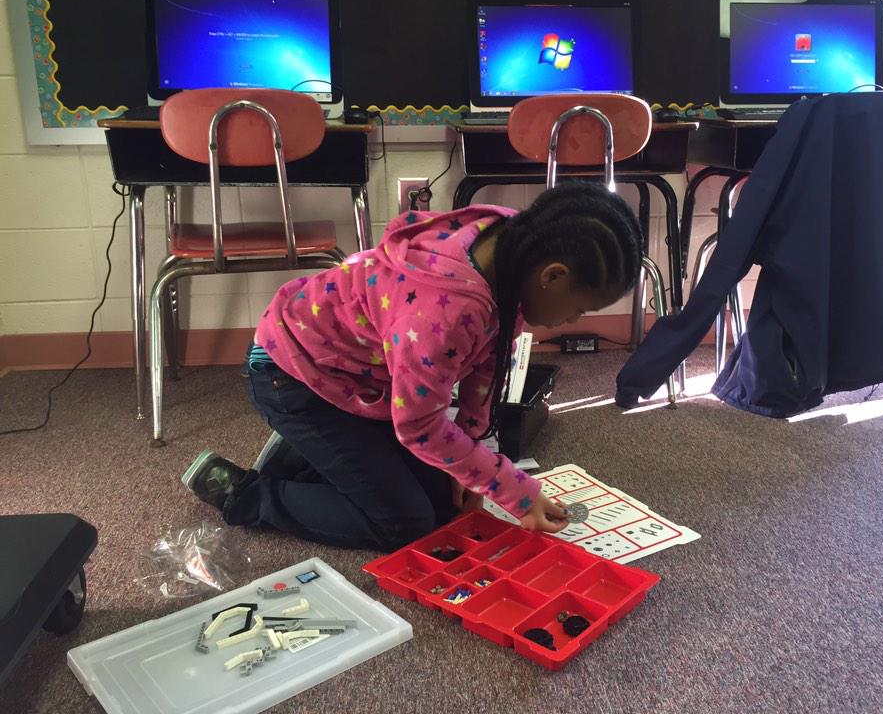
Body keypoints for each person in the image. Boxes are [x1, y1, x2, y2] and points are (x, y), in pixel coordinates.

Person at [181, 183, 643, 551]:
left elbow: (489, 358)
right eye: (579, 309)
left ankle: (309, 457)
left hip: (360, 378)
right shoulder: (444, 313)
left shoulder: (514, 245)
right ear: (554, 275)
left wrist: (476, 455)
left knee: (443, 499)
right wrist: (512, 488)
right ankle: (247, 494)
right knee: (405, 523)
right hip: (292, 375)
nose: (573, 322)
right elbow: (419, 425)